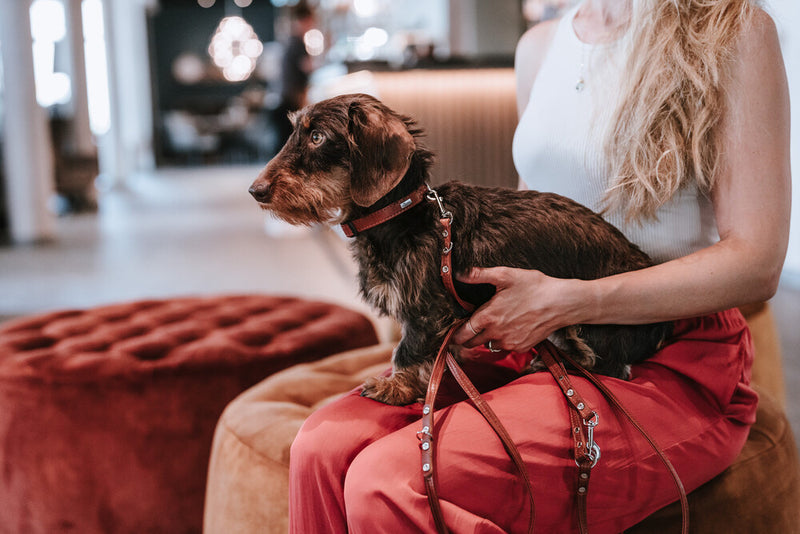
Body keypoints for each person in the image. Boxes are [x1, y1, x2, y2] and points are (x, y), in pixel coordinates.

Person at [288, 0, 791, 531]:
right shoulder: (540, 46)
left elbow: (757, 262)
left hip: (663, 354)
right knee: (321, 447)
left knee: (391, 480)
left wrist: (574, 299)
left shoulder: (731, 31)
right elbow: (538, 214)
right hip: (541, 339)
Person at [273, 2, 315, 146]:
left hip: (286, 97)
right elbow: (308, 67)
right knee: (290, 143)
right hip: (292, 99)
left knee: (286, 143)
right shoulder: (297, 42)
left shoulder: (291, 41)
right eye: (310, 22)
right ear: (305, 20)